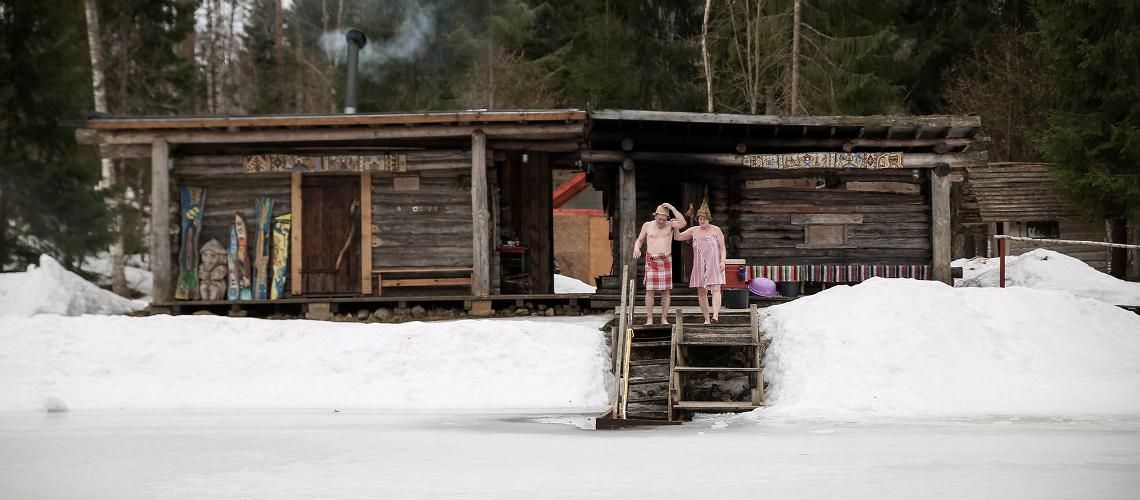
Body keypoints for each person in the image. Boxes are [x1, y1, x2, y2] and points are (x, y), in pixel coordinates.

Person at [632, 203, 686, 325]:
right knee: (650, 290)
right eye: (659, 219)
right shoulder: (647, 225)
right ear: (655, 216)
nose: (661, 222)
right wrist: (636, 248)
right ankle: (649, 318)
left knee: (666, 291)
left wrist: (672, 208)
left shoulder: (671, 225)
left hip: (665, 259)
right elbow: (639, 240)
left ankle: (664, 318)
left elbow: (683, 223)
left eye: (664, 219)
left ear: (667, 218)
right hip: (652, 260)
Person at [675, 199, 726, 324]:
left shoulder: (716, 230)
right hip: (699, 265)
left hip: (714, 264)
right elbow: (678, 237)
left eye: (704, 218)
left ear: (709, 219)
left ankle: (715, 315)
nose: (702, 220)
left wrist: (723, 261)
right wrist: (675, 227)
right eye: (700, 218)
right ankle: (707, 319)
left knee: (716, 289)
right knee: (702, 292)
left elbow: (722, 247)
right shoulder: (694, 230)